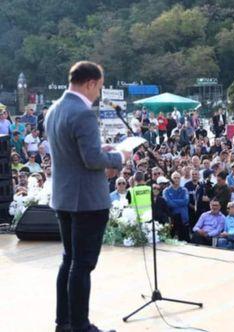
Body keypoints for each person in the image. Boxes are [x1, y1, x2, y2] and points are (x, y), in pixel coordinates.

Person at [47, 61, 130, 332]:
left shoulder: (54, 109)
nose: (98, 94)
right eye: (99, 87)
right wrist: (119, 156)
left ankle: (65, 322)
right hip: (87, 201)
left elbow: (75, 152)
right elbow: (92, 159)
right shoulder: (83, 114)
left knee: (68, 260)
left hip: (64, 196)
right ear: (90, 83)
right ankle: (81, 326)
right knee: (82, 265)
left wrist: (100, 148)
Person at [164, 171, 190, 242]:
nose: (176, 179)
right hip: (172, 220)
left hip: (183, 218)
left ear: (180, 179)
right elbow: (168, 203)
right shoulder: (166, 191)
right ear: (171, 179)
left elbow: (186, 201)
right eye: (174, 178)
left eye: (178, 178)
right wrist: (180, 202)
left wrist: (173, 201)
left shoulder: (184, 190)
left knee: (185, 241)